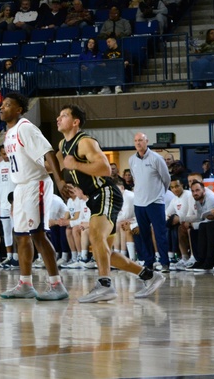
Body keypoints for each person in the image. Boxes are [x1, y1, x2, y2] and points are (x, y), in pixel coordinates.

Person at [55, 105, 165, 302]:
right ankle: (149, 275)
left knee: (96, 235)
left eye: (63, 116)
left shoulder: (85, 142)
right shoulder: (64, 144)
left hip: (106, 192)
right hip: (94, 196)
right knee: (106, 252)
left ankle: (105, 285)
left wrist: (76, 165)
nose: (58, 118)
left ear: (75, 121)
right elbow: (54, 161)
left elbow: (105, 169)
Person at [0, 93, 68, 301]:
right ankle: (25, 283)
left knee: (38, 234)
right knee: (20, 235)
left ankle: (57, 284)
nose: (2, 108)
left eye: (8, 105)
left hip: (35, 184)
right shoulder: (8, 133)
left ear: (19, 110)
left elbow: (49, 153)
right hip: (20, 187)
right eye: (1, 105)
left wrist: (60, 181)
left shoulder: (26, 128)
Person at [129, 133, 172, 272]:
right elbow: (136, 179)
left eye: (140, 140)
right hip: (139, 203)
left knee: (160, 233)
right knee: (144, 233)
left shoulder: (156, 158)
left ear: (147, 141)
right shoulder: (131, 160)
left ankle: (165, 262)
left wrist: (159, 194)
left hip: (155, 202)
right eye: (136, 141)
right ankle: (149, 262)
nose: (138, 143)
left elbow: (166, 179)